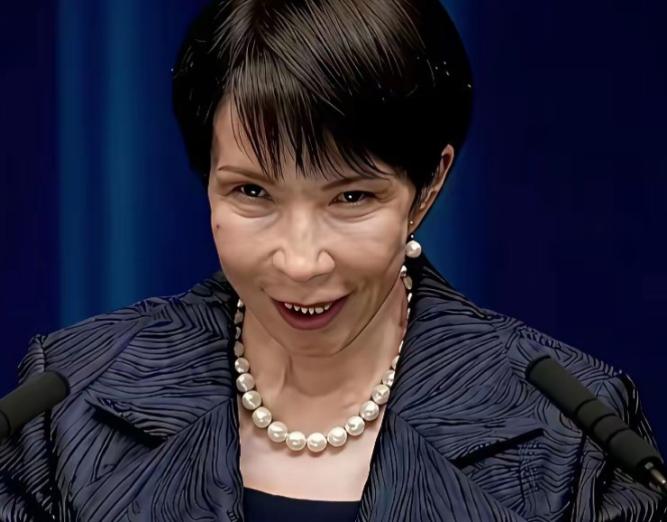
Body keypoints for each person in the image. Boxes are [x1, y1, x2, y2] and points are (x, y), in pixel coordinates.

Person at [1, 0, 665, 520]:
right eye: (251, 192)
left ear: (427, 186)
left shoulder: (576, 430)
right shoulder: (67, 401)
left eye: (351, 197)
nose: (300, 262)